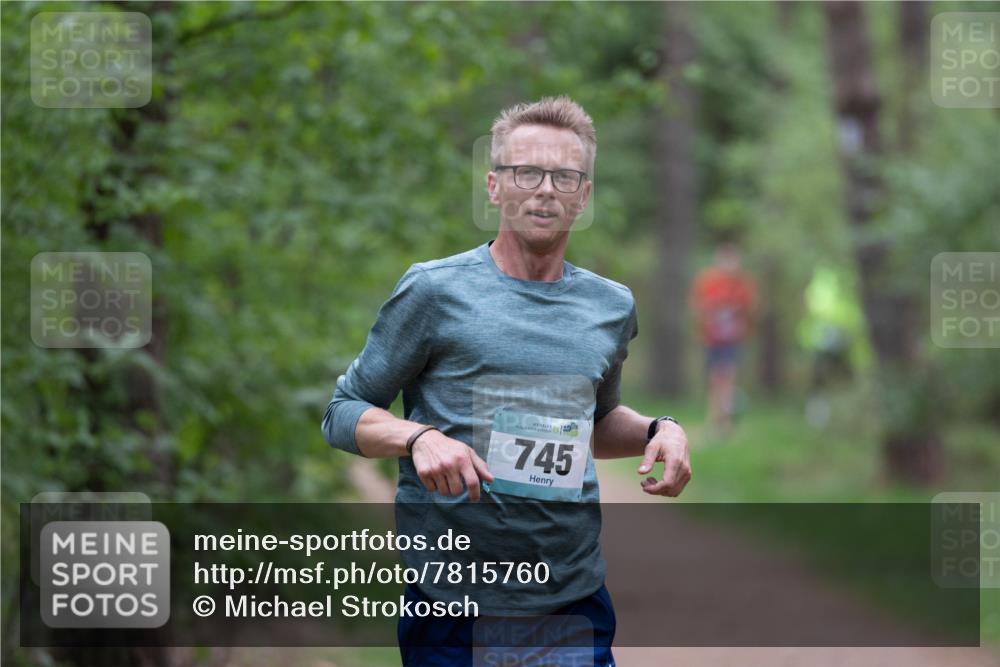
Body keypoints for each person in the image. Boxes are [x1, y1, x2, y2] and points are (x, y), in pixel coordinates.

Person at [322, 96, 692, 667]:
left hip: (570, 597)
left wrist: (657, 431)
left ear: (583, 195)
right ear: (495, 186)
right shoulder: (433, 292)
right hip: (451, 604)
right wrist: (420, 438)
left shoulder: (610, 306)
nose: (545, 189)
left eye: (565, 176)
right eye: (527, 172)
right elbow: (344, 411)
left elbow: (589, 424)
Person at [691, 243, 757, 436]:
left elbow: (751, 308)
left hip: (732, 340)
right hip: (712, 339)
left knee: (728, 376)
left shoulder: (742, 284)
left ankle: (725, 421)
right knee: (714, 379)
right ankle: (713, 418)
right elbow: (699, 307)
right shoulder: (709, 282)